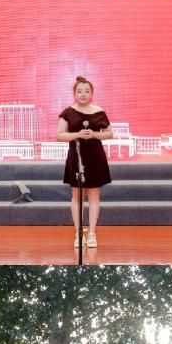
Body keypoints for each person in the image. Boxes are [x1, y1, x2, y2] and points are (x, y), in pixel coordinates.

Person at [57, 75, 113, 249]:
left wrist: (95, 134)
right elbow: (59, 135)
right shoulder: (68, 112)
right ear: (74, 93)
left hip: (96, 156)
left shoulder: (99, 111)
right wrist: (78, 135)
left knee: (94, 195)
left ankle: (92, 234)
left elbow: (109, 133)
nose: (83, 94)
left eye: (86, 91)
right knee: (77, 195)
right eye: (79, 91)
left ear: (91, 94)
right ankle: (79, 234)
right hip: (77, 156)